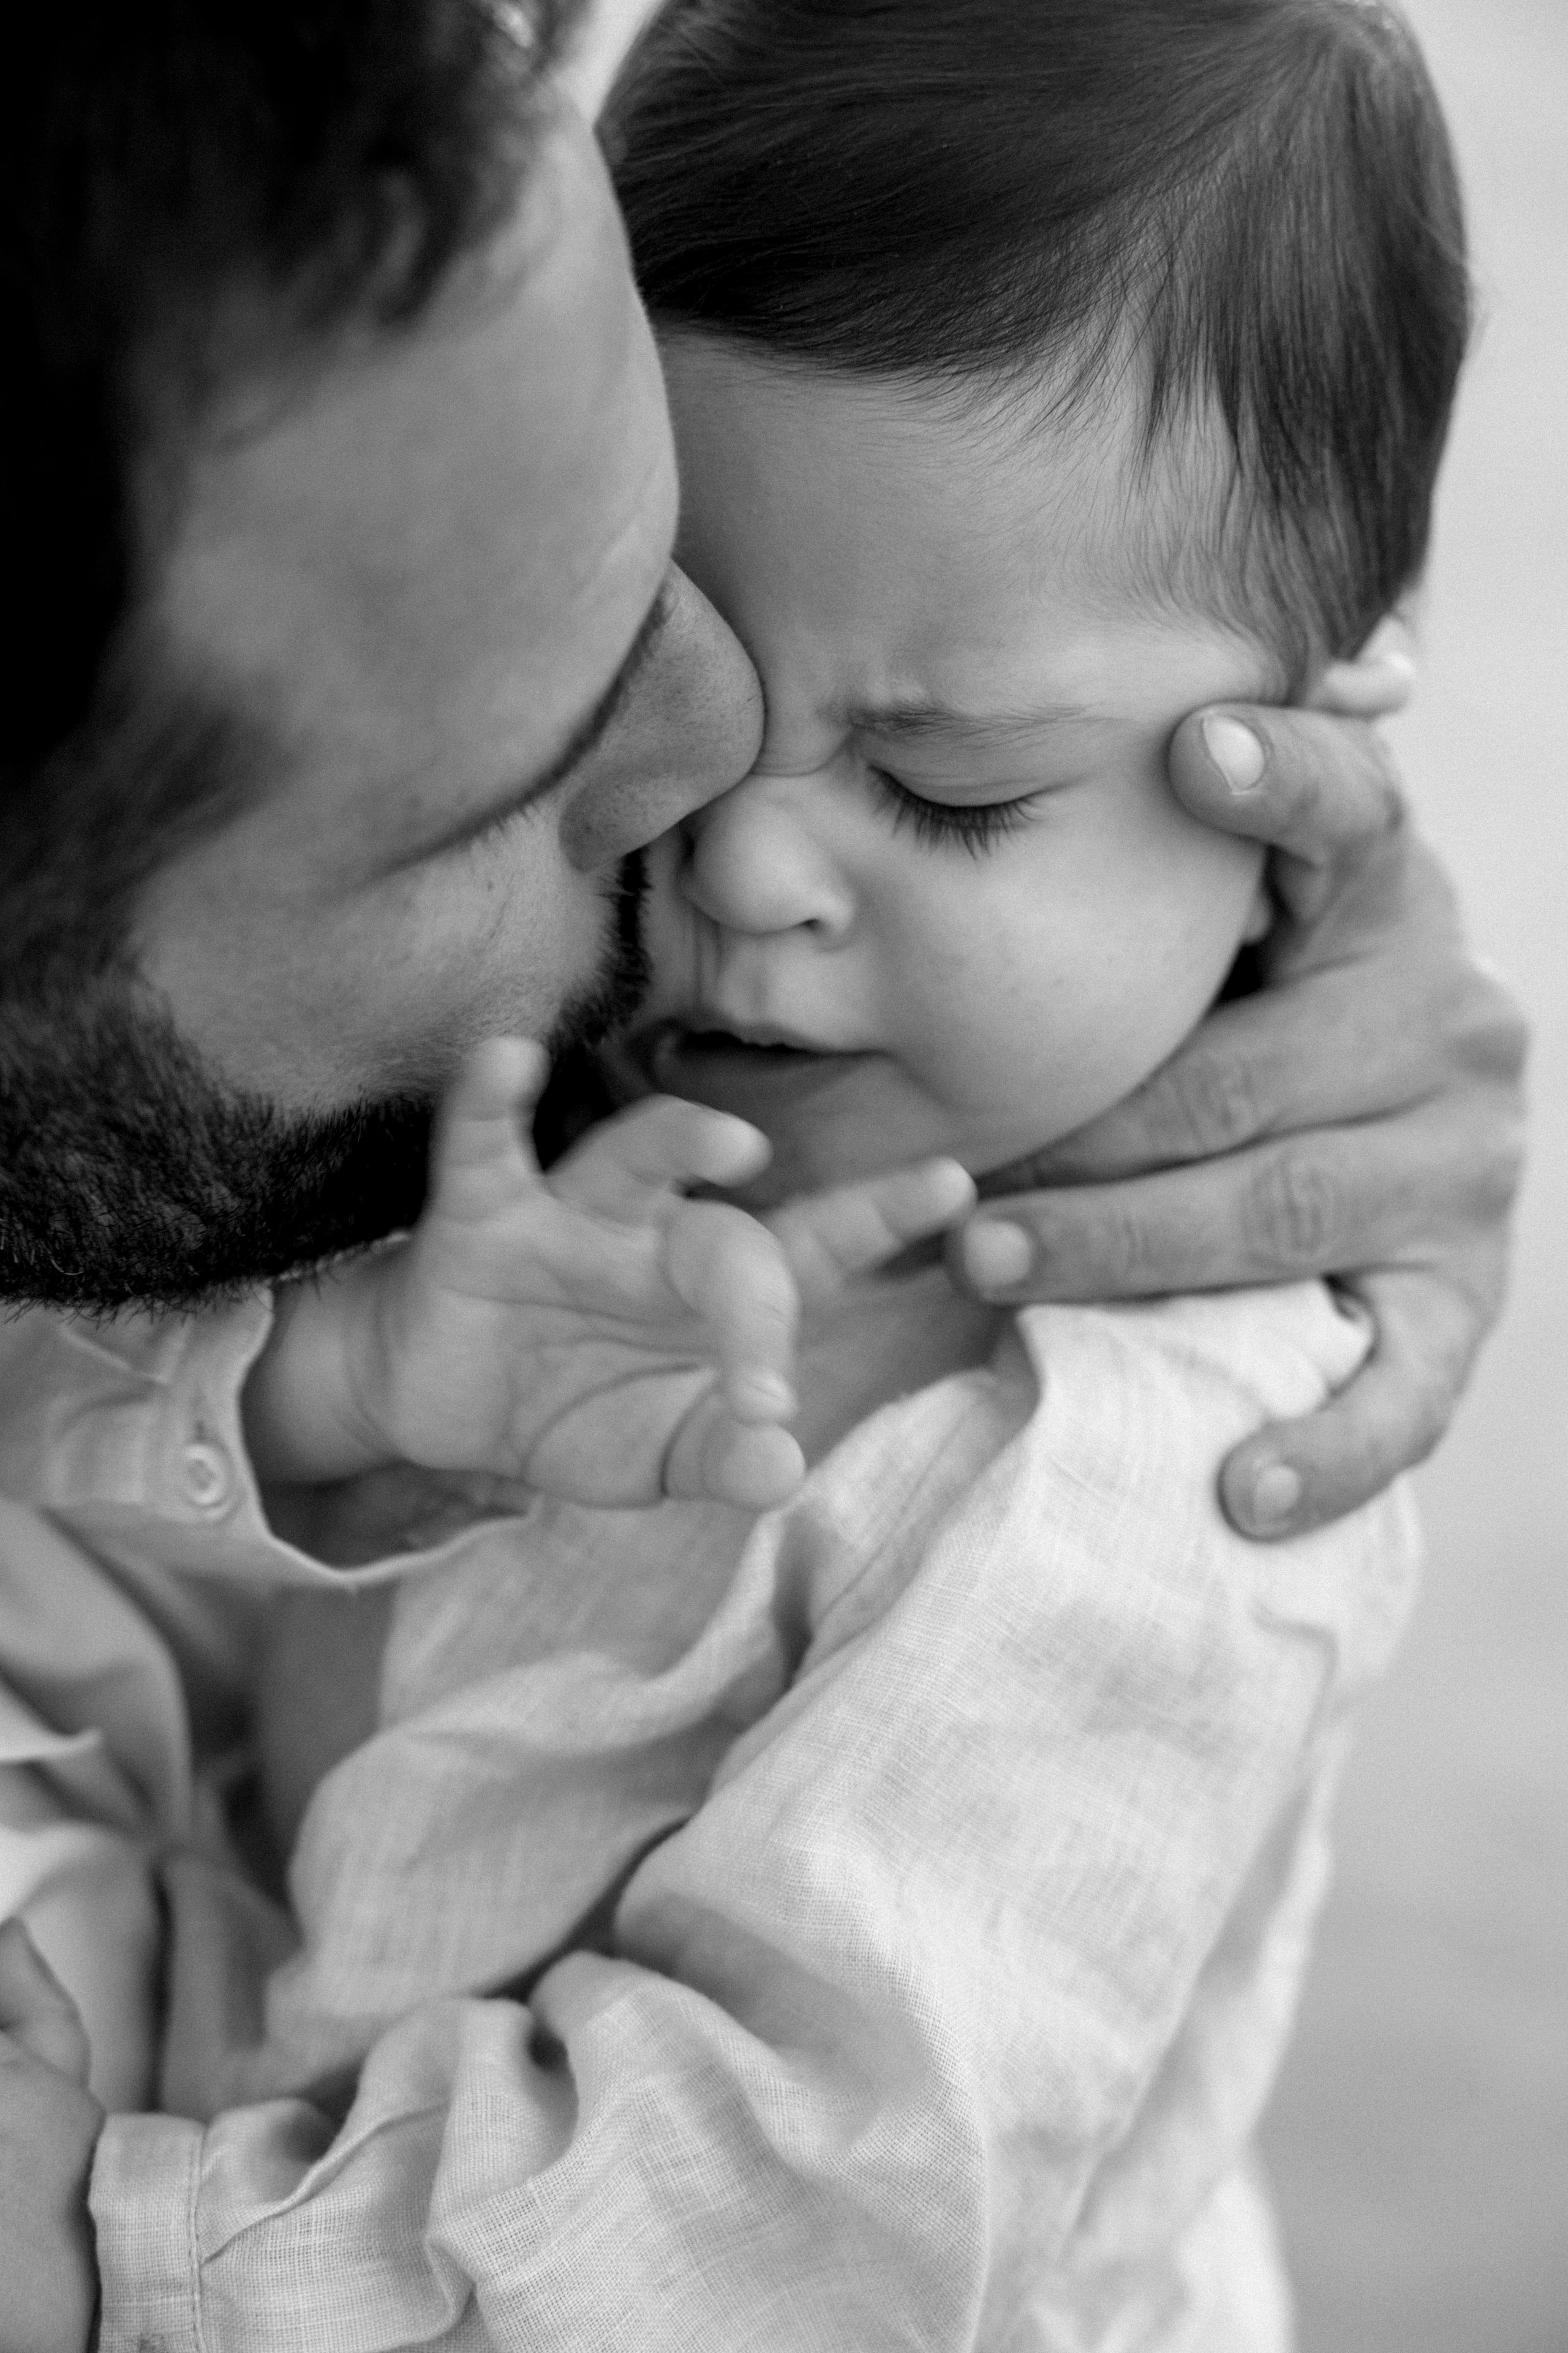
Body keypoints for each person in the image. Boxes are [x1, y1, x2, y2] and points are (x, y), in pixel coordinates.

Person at [0, 0, 1525, 2345]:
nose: (732, 847)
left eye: (948, 789)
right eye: (630, 654)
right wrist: (338, 1405)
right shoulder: (588, 1113)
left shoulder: (1146, 1480)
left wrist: (125, 2264)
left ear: (1307, 741)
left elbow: (802, 2211)